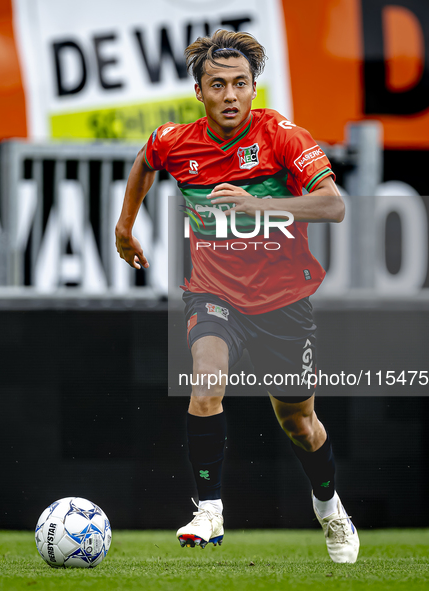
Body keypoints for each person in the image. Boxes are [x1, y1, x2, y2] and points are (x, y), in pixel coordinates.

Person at [115, 29, 359, 564]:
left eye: (240, 84)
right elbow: (145, 159)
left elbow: (333, 205)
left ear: (255, 90)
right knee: (205, 385)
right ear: (199, 93)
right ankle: (209, 509)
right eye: (217, 84)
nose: (230, 95)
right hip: (212, 292)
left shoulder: (282, 137)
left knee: (299, 424)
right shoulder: (178, 142)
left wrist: (258, 206)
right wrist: (124, 226)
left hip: (283, 303)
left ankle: (330, 508)